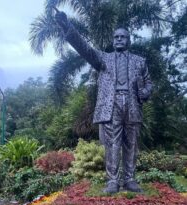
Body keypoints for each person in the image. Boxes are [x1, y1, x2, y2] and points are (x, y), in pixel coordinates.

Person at [55, 10, 152, 194]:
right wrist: (67, 26)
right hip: (112, 104)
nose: (119, 39)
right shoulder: (104, 59)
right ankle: (113, 181)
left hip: (132, 104)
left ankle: (130, 179)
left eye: (123, 37)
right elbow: (85, 48)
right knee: (113, 144)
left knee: (131, 143)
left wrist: (145, 91)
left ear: (128, 40)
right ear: (113, 40)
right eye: (116, 37)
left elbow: (148, 82)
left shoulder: (140, 61)